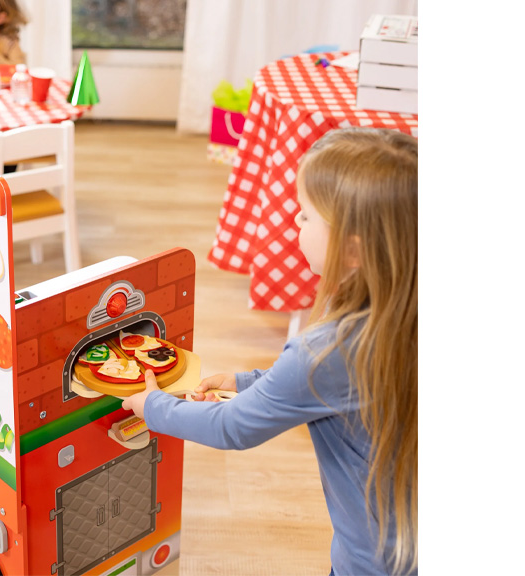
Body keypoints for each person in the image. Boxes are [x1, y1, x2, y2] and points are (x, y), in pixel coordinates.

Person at [123, 127, 419, 575]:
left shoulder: (326, 350)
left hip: (372, 560)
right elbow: (334, 389)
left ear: (353, 249)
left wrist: (153, 406)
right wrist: (246, 382)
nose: (296, 223)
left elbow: (231, 426)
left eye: (306, 216)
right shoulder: (398, 313)